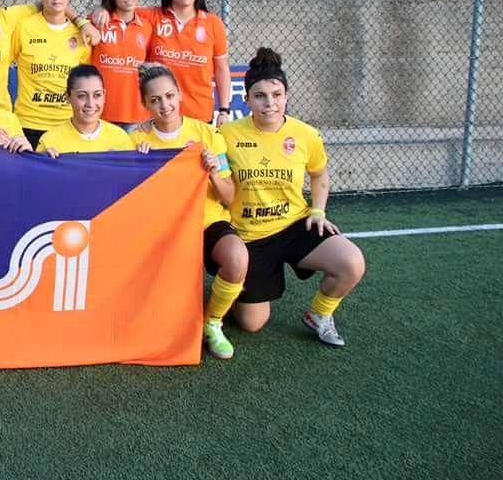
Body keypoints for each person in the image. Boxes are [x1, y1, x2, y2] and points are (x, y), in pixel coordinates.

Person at [219, 48, 366, 346]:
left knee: (351, 262)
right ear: (246, 99)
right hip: (250, 236)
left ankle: (319, 314)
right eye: (260, 96)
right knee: (251, 323)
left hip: (294, 225)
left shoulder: (306, 134)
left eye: (277, 95)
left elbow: (319, 175)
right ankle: (235, 284)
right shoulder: (227, 134)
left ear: (286, 96)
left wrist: (318, 212)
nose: (269, 103)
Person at [132, 64, 247, 360]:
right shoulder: (136, 140)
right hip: (162, 228)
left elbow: (229, 197)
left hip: (206, 221)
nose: (165, 105)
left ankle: (212, 323)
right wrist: (137, 164)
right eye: (155, 100)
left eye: (170, 96)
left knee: (236, 257)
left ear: (180, 94)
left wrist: (213, 172)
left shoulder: (207, 134)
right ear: (144, 103)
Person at [12, 0, 93, 149]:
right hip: (29, 123)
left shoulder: (82, 34)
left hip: (67, 124)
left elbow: (84, 82)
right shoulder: (23, 27)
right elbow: (1, 63)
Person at [89, 0, 151, 129]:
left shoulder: (147, 26)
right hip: (101, 114)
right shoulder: (96, 21)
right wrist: (101, 9)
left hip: (136, 116)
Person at [36, 65, 133, 156]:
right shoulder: (50, 142)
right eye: (82, 96)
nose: (90, 104)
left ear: (104, 95)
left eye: (97, 95)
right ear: (67, 96)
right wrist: (43, 161)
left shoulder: (120, 139)